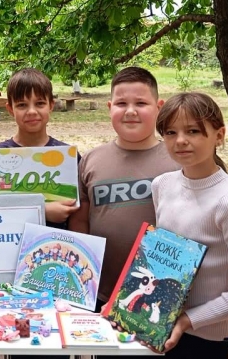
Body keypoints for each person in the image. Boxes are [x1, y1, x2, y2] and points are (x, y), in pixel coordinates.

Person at [68, 67, 179, 313]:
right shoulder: (91, 160)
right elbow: (80, 221)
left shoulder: (177, 161)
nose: (130, 111)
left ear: (159, 107)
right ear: (110, 108)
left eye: (141, 103)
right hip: (99, 291)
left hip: (155, 296)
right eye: (121, 103)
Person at [150, 92, 228, 359]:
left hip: (212, 341)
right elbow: (162, 260)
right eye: (170, 132)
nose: (180, 140)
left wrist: (187, 320)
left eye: (193, 131)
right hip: (163, 327)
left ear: (219, 135)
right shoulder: (161, 185)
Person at [0, 68, 79, 233]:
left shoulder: (68, 156)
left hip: (58, 245)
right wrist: (42, 210)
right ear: (10, 109)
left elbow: (80, 211)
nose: (31, 111)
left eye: (39, 103)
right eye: (22, 105)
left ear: (51, 105)